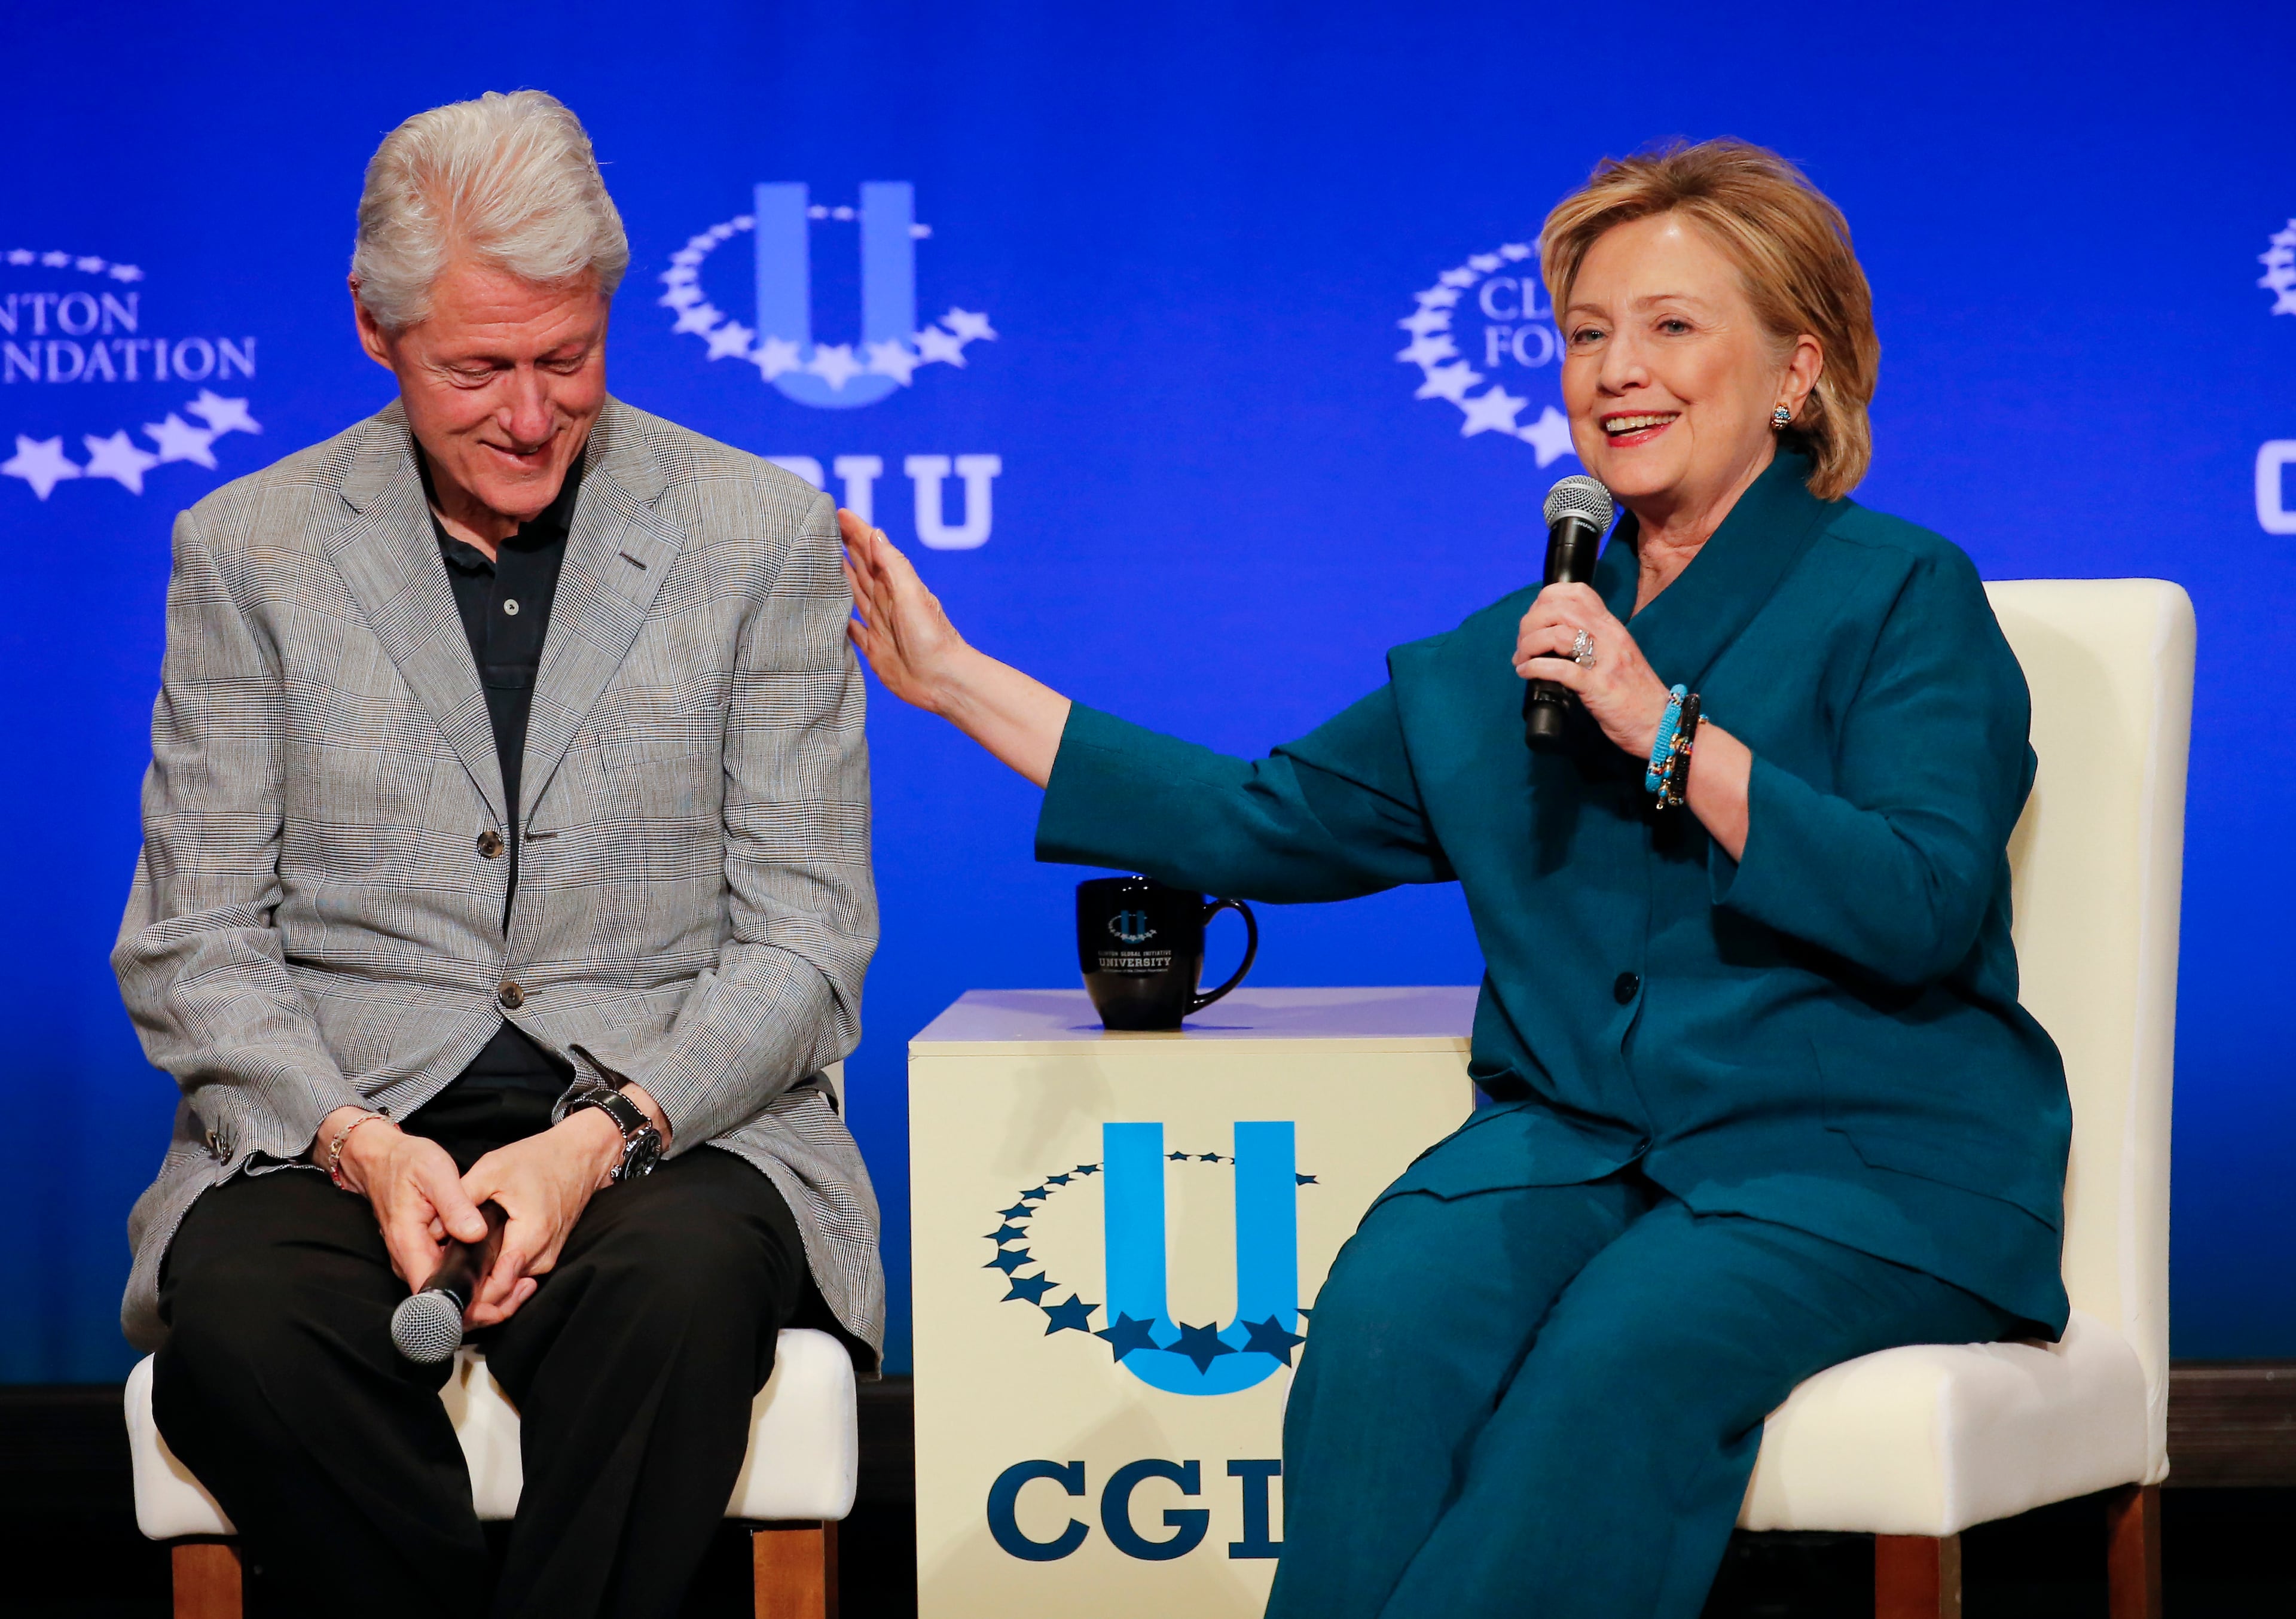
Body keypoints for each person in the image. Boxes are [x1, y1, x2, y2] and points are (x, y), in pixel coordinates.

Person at [842, 138, 2069, 1618]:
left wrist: (1668, 730)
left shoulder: (1900, 594)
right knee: (1392, 1315)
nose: (1619, 371)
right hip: (1577, 1151)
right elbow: (1257, 817)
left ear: (1796, 374)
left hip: (1855, 1164)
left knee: (1625, 1356)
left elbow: (1924, 899)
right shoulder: (1532, 642)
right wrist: (960, 680)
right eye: (1588, 334)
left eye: (1674, 328)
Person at [112, 90, 880, 1619]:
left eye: (567, 361)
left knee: (675, 1300)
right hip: (342, 1121)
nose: (530, 416)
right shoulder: (249, 550)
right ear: (374, 330)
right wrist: (359, 1142)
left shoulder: (757, 533)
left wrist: (602, 1136)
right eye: (479, 370)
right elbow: (193, 939)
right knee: (248, 1327)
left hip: (675, 1123)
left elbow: (806, 933)